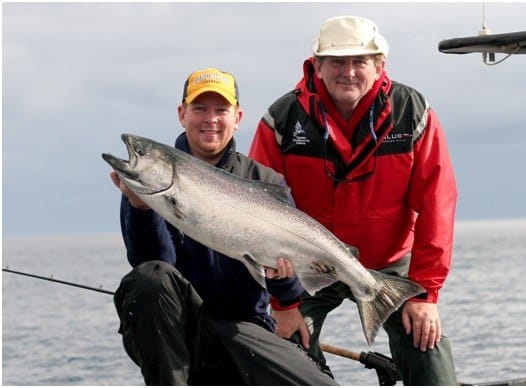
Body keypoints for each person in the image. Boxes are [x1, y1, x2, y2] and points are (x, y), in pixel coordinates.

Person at [249, 16, 458, 385]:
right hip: (307, 265)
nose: (348, 72)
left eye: (359, 61)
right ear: (317, 66)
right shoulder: (281, 120)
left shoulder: (412, 112)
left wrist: (425, 293)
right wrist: (283, 304)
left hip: (391, 264)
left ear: (379, 65)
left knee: (428, 346)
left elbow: (438, 204)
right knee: (282, 347)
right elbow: (261, 215)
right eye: (337, 61)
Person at [108, 67, 337, 385]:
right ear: (182, 114)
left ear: (238, 117)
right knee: (148, 278)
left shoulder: (264, 181)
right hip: (179, 331)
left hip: (244, 329)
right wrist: (140, 207)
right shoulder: (148, 183)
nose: (210, 119)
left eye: (221, 110)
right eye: (199, 108)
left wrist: (283, 282)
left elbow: (289, 282)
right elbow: (153, 267)